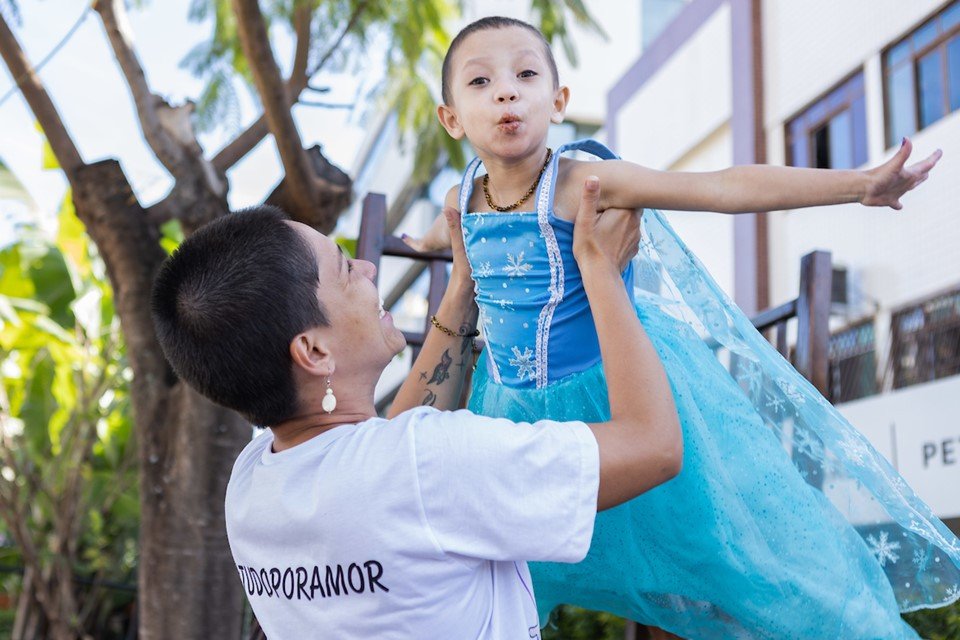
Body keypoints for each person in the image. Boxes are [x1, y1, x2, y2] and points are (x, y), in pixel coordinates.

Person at [402, 15, 960, 639]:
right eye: (481, 81)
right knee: (498, 580)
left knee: (736, 557)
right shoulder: (460, 199)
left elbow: (720, 186)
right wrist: (416, 240)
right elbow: (441, 235)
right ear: (452, 117)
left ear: (558, 103)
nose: (506, 91)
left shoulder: (582, 182)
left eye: (526, 75)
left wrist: (859, 185)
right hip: (510, 414)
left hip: (616, 398)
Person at [150, 180, 682, 638]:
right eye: (344, 269)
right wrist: (602, 270)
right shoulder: (430, 464)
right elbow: (653, 446)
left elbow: (385, 460)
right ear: (314, 351)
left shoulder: (251, 488)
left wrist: (460, 292)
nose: (367, 268)